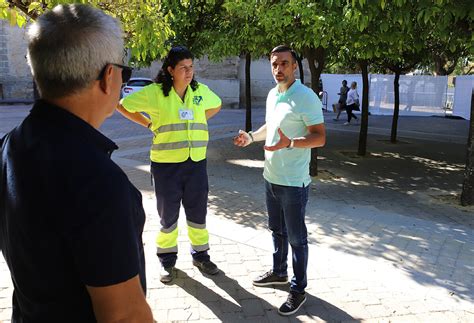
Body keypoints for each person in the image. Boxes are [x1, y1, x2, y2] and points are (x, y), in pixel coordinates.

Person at [0, 4, 153, 322]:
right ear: (109, 77)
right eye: (125, 70)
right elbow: (124, 315)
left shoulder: (9, 146)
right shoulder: (98, 181)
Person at [233, 45, 326, 316]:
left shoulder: (306, 97)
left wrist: (291, 143)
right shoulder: (273, 94)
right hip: (270, 177)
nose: (278, 69)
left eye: (284, 63)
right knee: (277, 231)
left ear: (295, 66)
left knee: (297, 238)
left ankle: (298, 289)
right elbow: (269, 129)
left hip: (294, 182)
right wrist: (250, 137)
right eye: (274, 64)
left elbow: (320, 136)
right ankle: (279, 272)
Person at [117, 46, 222, 283]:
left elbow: (216, 104)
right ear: (170, 70)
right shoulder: (155, 93)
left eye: (191, 67)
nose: (189, 72)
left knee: (198, 214)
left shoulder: (199, 91)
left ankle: (201, 255)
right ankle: (167, 261)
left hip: (196, 163)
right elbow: (122, 105)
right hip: (166, 166)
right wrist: (147, 124)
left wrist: (199, 118)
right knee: (168, 217)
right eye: (183, 68)